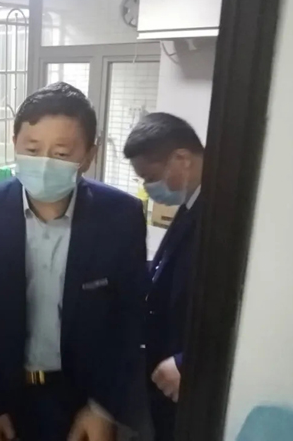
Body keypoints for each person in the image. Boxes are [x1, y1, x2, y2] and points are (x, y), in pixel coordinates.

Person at [0, 82, 149, 441]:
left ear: (88, 155)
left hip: (85, 401)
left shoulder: (121, 216)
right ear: (14, 143)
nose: (43, 163)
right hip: (6, 398)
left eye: (60, 153)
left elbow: (130, 319)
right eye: (32, 149)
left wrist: (104, 407)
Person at [123, 112, 204, 441]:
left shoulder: (225, 210)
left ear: (182, 159)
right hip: (162, 374)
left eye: (150, 177)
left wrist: (187, 362)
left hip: (187, 377)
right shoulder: (191, 204)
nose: (148, 188)